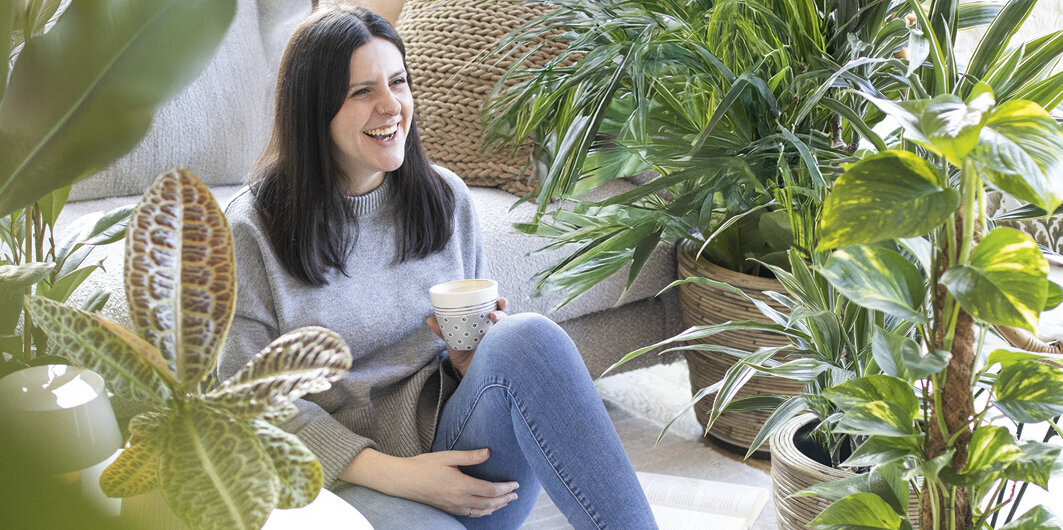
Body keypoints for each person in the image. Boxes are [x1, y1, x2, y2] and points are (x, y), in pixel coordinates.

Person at [217, 5, 657, 529]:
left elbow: (464, 365)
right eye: (362, 92)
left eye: (398, 82)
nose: (391, 106)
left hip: (458, 457)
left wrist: (465, 360)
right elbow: (249, 405)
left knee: (526, 337)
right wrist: (404, 477)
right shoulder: (252, 229)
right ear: (314, 109)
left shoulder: (444, 197)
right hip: (345, 480)